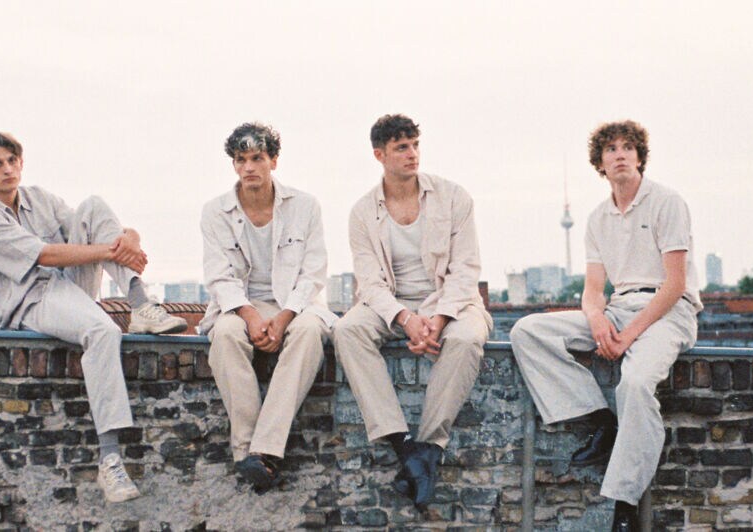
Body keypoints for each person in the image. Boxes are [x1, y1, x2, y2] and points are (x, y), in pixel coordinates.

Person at [0, 132, 187, 503]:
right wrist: (116, 249)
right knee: (102, 331)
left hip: (64, 287)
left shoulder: (39, 198)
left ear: (21, 162)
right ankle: (110, 459)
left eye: (11, 161)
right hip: (28, 301)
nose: (7, 170)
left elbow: (93, 229)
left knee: (95, 205)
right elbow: (46, 256)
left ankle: (140, 304)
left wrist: (130, 237)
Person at [510, 120, 702, 531]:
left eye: (627, 148)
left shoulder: (667, 202)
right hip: (619, 308)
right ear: (599, 162)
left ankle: (623, 502)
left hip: (668, 311)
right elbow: (594, 288)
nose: (619, 154)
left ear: (639, 156)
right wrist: (598, 321)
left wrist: (629, 336)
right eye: (611, 149)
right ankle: (599, 418)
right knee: (527, 331)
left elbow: (676, 284)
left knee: (633, 383)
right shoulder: (598, 218)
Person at [332, 114, 493, 509]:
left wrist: (436, 319)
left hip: (452, 301)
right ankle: (402, 444)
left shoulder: (454, 197)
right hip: (392, 304)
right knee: (347, 331)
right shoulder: (361, 212)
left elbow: (466, 269)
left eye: (415, 145)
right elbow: (369, 283)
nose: (412, 154)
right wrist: (405, 319)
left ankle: (429, 447)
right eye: (402, 147)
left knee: (469, 338)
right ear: (379, 154)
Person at [199, 123, 335, 492]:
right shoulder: (216, 212)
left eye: (257, 157)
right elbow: (219, 276)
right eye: (241, 159)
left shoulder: (304, 206)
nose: (249, 167)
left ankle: (265, 450)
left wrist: (285, 315)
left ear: (273, 160)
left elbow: (313, 272)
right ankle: (246, 448)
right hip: (241, 305)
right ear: (233, 165)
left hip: (296, 303)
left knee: (308, 333)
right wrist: (251, 315)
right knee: (225, 336)